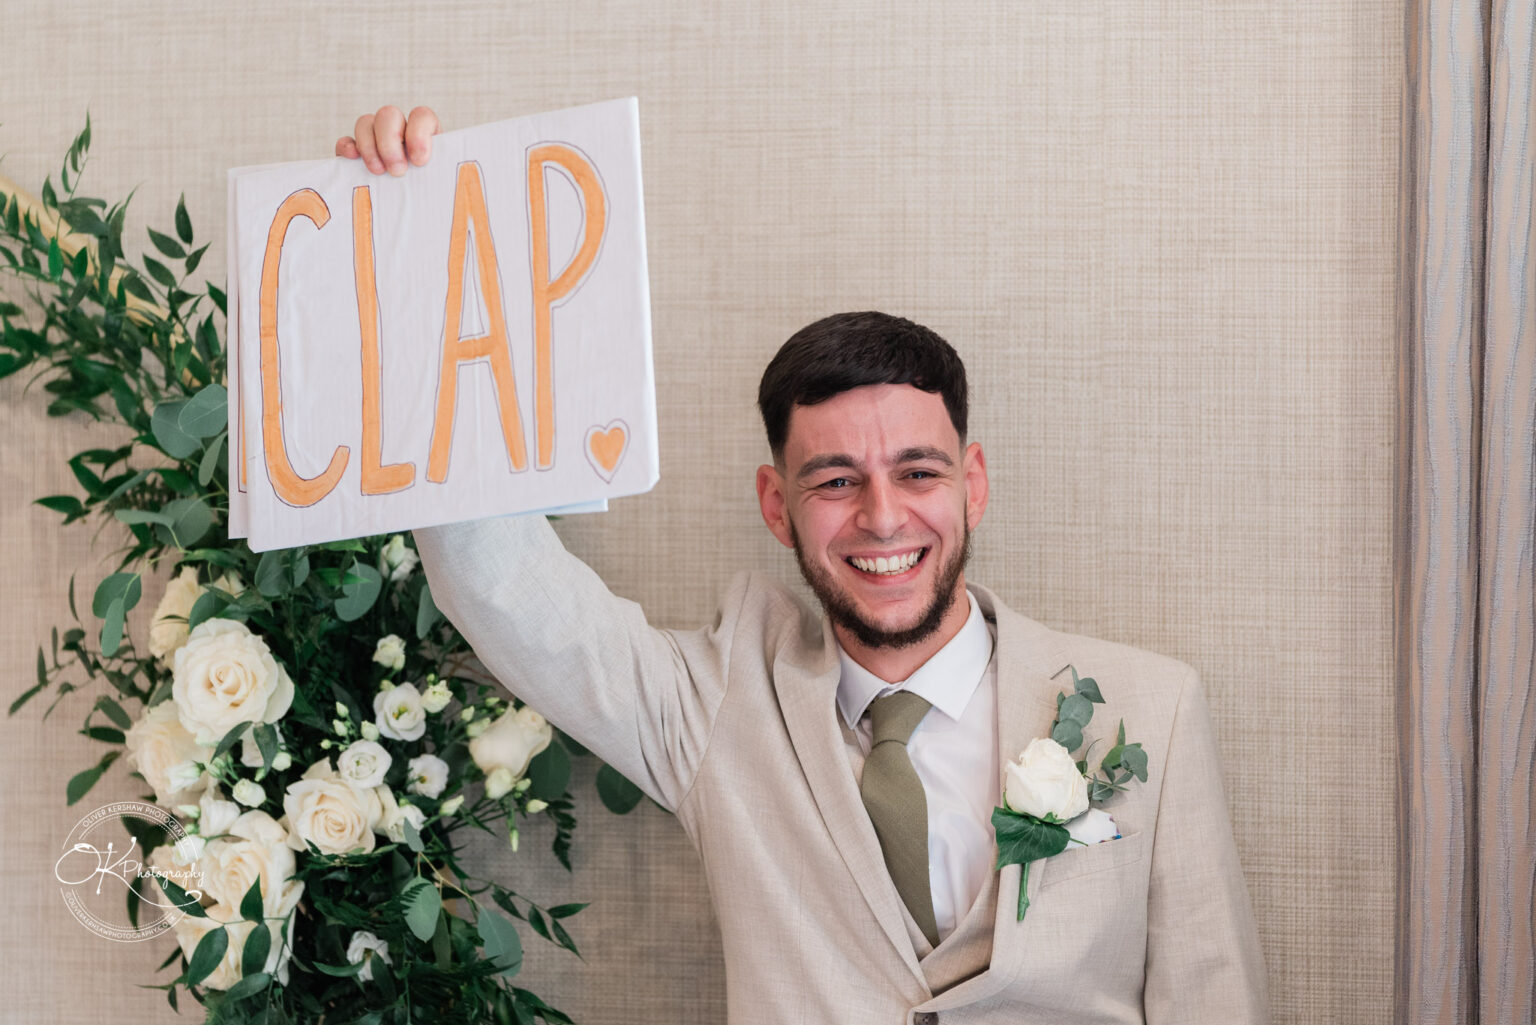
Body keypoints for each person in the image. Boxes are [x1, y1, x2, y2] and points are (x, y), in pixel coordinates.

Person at [338, 106, 1269, 1025]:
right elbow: (500, 582)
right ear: (776, 504)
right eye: (834, 478)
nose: (881, 516)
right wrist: (410, 245)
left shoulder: (1150, 711)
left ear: (972, 485)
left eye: (918, 471)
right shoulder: (713, 705)